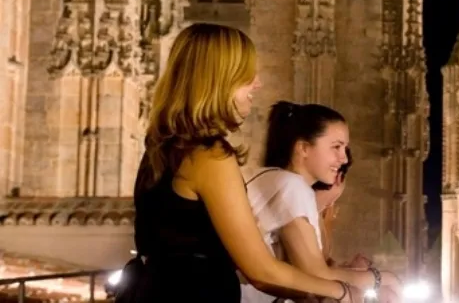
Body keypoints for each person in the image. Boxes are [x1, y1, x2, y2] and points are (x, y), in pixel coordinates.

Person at [115, 23, 358, 303]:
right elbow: (261, 271)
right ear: (219, 78)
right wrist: (341, 292)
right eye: (246, 73)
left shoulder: (162, 146)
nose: (257, 82)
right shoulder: (208, 156)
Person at [242, 102, 401, 303]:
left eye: (345, 148)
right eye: (336, 147)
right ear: (303, 148)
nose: (343, 158)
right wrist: (383, 278)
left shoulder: (276, 180)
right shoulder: (292, 187)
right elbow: (315, 276)